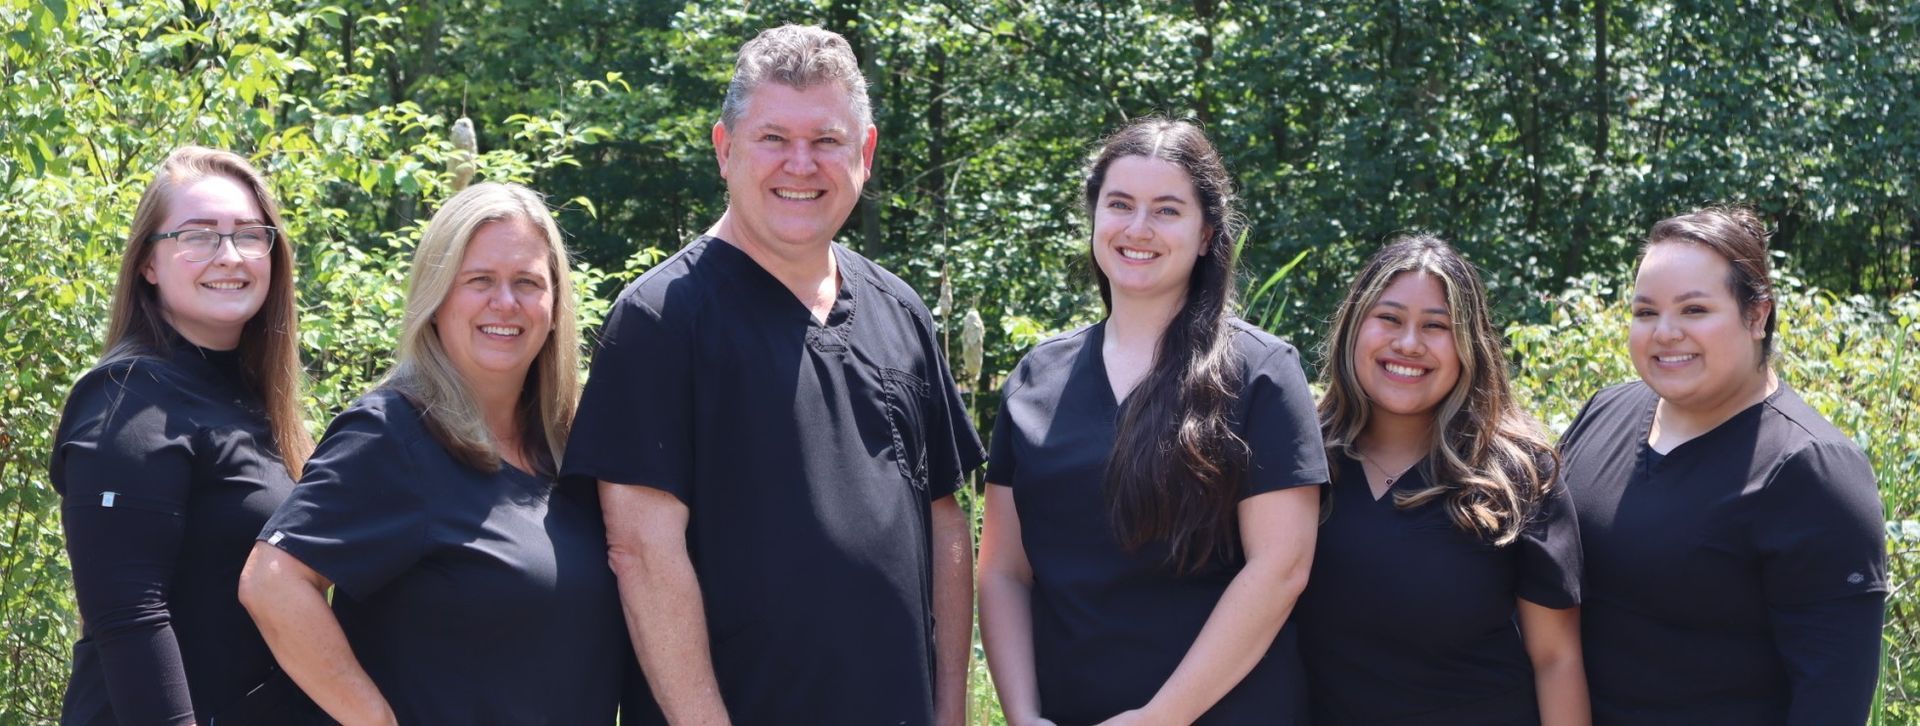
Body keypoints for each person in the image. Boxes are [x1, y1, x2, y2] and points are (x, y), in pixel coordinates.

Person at [561, 24, 984, 725]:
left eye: (826, 141)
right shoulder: (662, 320)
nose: (801, 164)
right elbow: (641, 551)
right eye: (773, 139)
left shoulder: (899, 309)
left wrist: (951, 713)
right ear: (725, 149)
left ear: (866, 153)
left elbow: (945, 524)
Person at [237, 183, 640, 724]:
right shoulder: (392, 435)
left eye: (527, 282)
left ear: (555, 304)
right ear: (436, 295)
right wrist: (374, 719)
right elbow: (272, 583)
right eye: (478, 281)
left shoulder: (570, 448)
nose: (505, 302)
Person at [976, 118, 1325, 726]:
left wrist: (1160, 717)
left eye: (1166, 210)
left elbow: (1281, 569)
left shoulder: (1263, 373)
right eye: (1120, 205)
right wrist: (1023, 716)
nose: (1138, 229)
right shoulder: (1036, 379)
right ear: (1094, 218)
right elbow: (1004, 571)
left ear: (1205, 232)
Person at [1557, 207, 1886, 724]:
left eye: (1693, 310)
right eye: (1645, 313)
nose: (1665, 333)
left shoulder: (1810, 470)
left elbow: (1832, 699)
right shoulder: (1605, 411)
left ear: (1757, 316)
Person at [49, 146, 315, 725]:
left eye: (249, 234)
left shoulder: (252, 405)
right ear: (148, 263)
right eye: (198, 236)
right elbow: (129, 618)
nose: (229, 256)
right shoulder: (126, 400)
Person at [1293, 235, 1589, 725]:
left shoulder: (1518, 478)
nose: (1408, 344)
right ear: (1353, 328)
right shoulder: (1300, 460)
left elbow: (1556, 660)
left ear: (1469, 345)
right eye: (1389, 319)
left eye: (1436, 326)